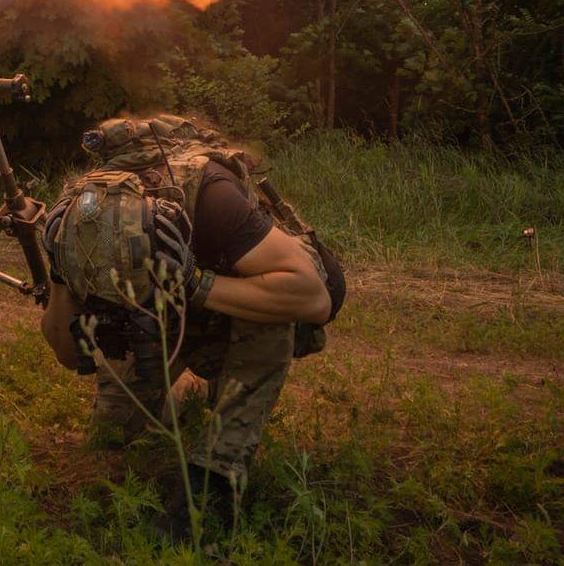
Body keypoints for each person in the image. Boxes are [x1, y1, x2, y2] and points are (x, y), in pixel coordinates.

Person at [38, 115, 339, 541]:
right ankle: (190, 391)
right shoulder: (76, 222)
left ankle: (215, 474)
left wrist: (194, 283)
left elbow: (313, 297)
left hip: (228, 311)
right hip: (160, 321)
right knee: (111, 435)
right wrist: (59, 271)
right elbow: (68, 353)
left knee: (270, 321)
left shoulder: (209, 195)